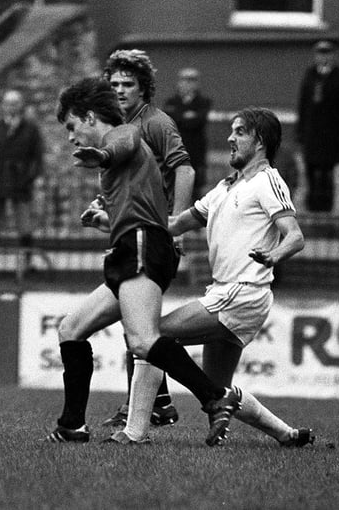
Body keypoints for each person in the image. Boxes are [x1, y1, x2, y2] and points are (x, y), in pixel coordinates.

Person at [47, 77, 239, 445]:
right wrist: (105, 220)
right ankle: (71, 426)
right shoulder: (120, 161)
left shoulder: (122, 135)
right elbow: (139, 211)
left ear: (89, 117)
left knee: (142, 340)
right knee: (71, 329)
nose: (71, 137)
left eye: (72, 127)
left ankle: (215, 397)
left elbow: (125, 140)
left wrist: (101, 155)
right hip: (132, 244)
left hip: (142, 246)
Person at [106, 107, 313, 446]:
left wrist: (272, 256)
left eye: (239, 132)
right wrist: (113, 218)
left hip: (241, 292)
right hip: (233, 293)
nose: (230, 138)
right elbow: (173, 224)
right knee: (218, 391)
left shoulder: (267, 181)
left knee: (150, 336)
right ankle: (287, 435)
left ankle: (136, 430)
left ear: (260, 141)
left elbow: (295, 236)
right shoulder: (226, 187)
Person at [101, 49, 196, 428]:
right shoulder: (116, 124)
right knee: (137, 324)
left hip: (154, 233)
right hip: (134, 230)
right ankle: (158, 403)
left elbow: (184, 170)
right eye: (114, 85)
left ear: (144, 89)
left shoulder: (156, 122)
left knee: (137, 325)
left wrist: (177, 224)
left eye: (128, 85)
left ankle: (148, 407)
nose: (120, 91)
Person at [0, 89, 44, 271]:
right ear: (3, 106)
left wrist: (31, 177)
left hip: (21, 181)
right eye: (8, 103)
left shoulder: (31, 129)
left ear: (21, 105)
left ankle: (27, 262)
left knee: (24, 224)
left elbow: (37, 157)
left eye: (15, 103)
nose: (12, 107)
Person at [296, 40, 339, 212]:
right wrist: (301, 131)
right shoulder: (310, 74)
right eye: (320, 53)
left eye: (326, 53)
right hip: (312, 131)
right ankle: (313, 204)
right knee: (311, 169)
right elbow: (303, 103)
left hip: (330, 132)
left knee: (327, 171)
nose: (323, 57)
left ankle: (326, 204)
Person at [164, 67, 212, 200]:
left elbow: (197, 122)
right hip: (175, 152)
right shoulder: (171, 102)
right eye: (185, 80)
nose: (188, 83)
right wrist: (186, 117)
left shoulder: (203, 102)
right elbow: (172, 121)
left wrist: (182, 118)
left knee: (196, 192)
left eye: (192, 80)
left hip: (195, 154)